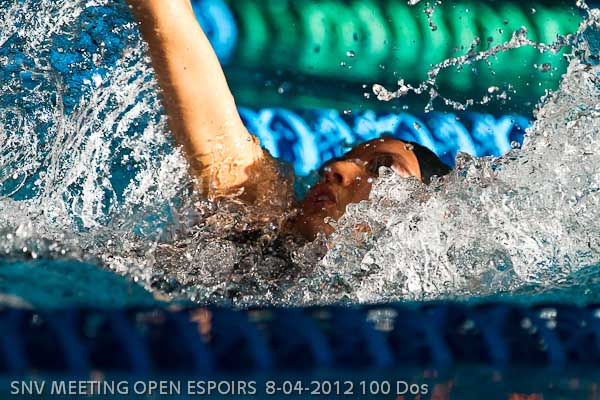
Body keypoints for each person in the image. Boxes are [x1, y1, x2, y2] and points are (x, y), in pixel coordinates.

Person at [126, 0, 450, 240]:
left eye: (382, 170)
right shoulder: (256, 214)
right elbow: (168, 20)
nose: (335, 168)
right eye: (346, 158)